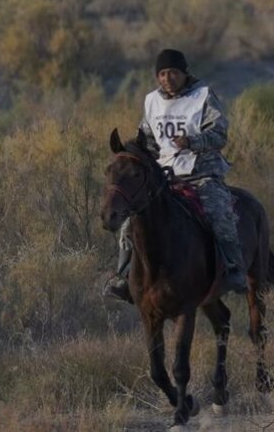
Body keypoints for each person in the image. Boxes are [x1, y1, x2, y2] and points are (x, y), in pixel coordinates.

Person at [103, 48, 248, 303]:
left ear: (184, 73)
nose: (167, 78)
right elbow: (147, 139)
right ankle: (123, 276)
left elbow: (219, 134)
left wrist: (193, 141)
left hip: (202, 172)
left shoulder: (203, 95)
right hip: (165, 176)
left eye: (173, 73)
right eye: (162, 74)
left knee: (219, 213)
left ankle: (234, 270)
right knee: (130, 221)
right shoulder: (152, 101)